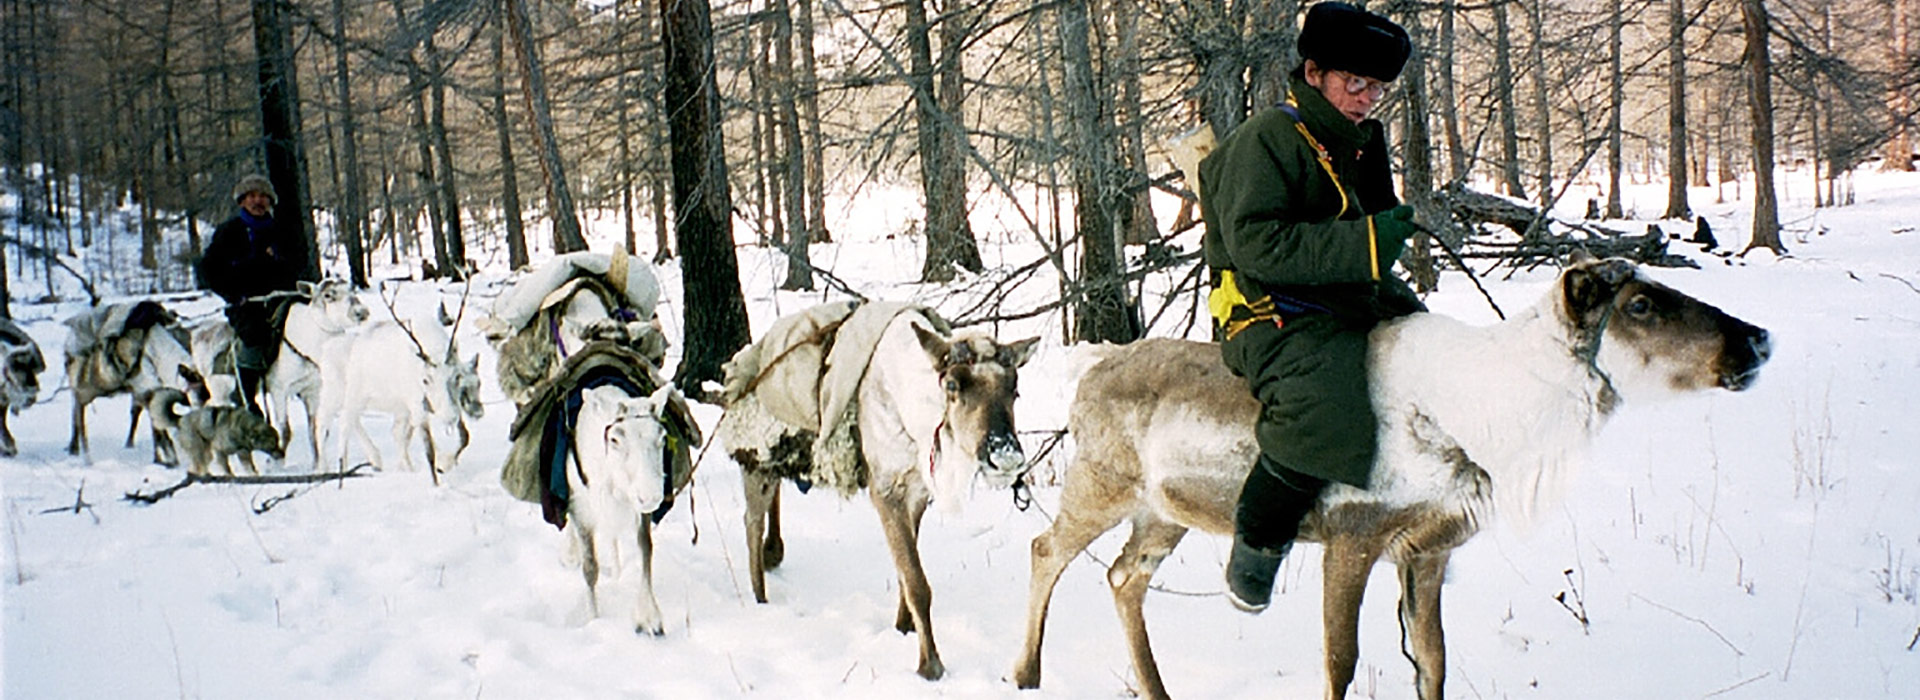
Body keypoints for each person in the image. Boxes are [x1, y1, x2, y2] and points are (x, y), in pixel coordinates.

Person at [1195, 1, 1423, 613]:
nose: (1366, 97)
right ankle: (1260, 536)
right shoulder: (1267, 139)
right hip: (1268, 309)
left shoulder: (1356, 140)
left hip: (1342, 294)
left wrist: (1385, 233)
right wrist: (1367, 243)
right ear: (1315, 72)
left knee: (1430, 347)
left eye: (1376, 87)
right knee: (1327, 398)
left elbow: (1362, 222)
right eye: (1355, 82)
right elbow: (1257, 245)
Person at [200, 173, 310, 413]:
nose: (257, 201)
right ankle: (246, 399)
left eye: (262, 196)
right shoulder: (229, 232)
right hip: (247, 303)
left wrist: (280, 258)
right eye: (251, 196)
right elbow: (209, 270)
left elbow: (301, 261)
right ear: (242, 201)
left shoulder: (284, 230)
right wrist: (233, 294)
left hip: (283, 299)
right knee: (254, 336)